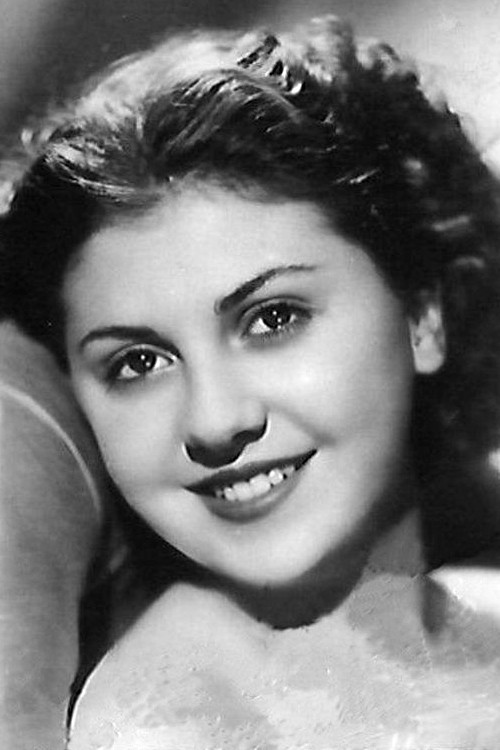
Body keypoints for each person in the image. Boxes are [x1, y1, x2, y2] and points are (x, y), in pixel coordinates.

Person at [2, 15, 500, 748]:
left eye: (273, 319)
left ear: (421, 317)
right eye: (138, 363)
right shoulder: (172, 725)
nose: (214, 419)